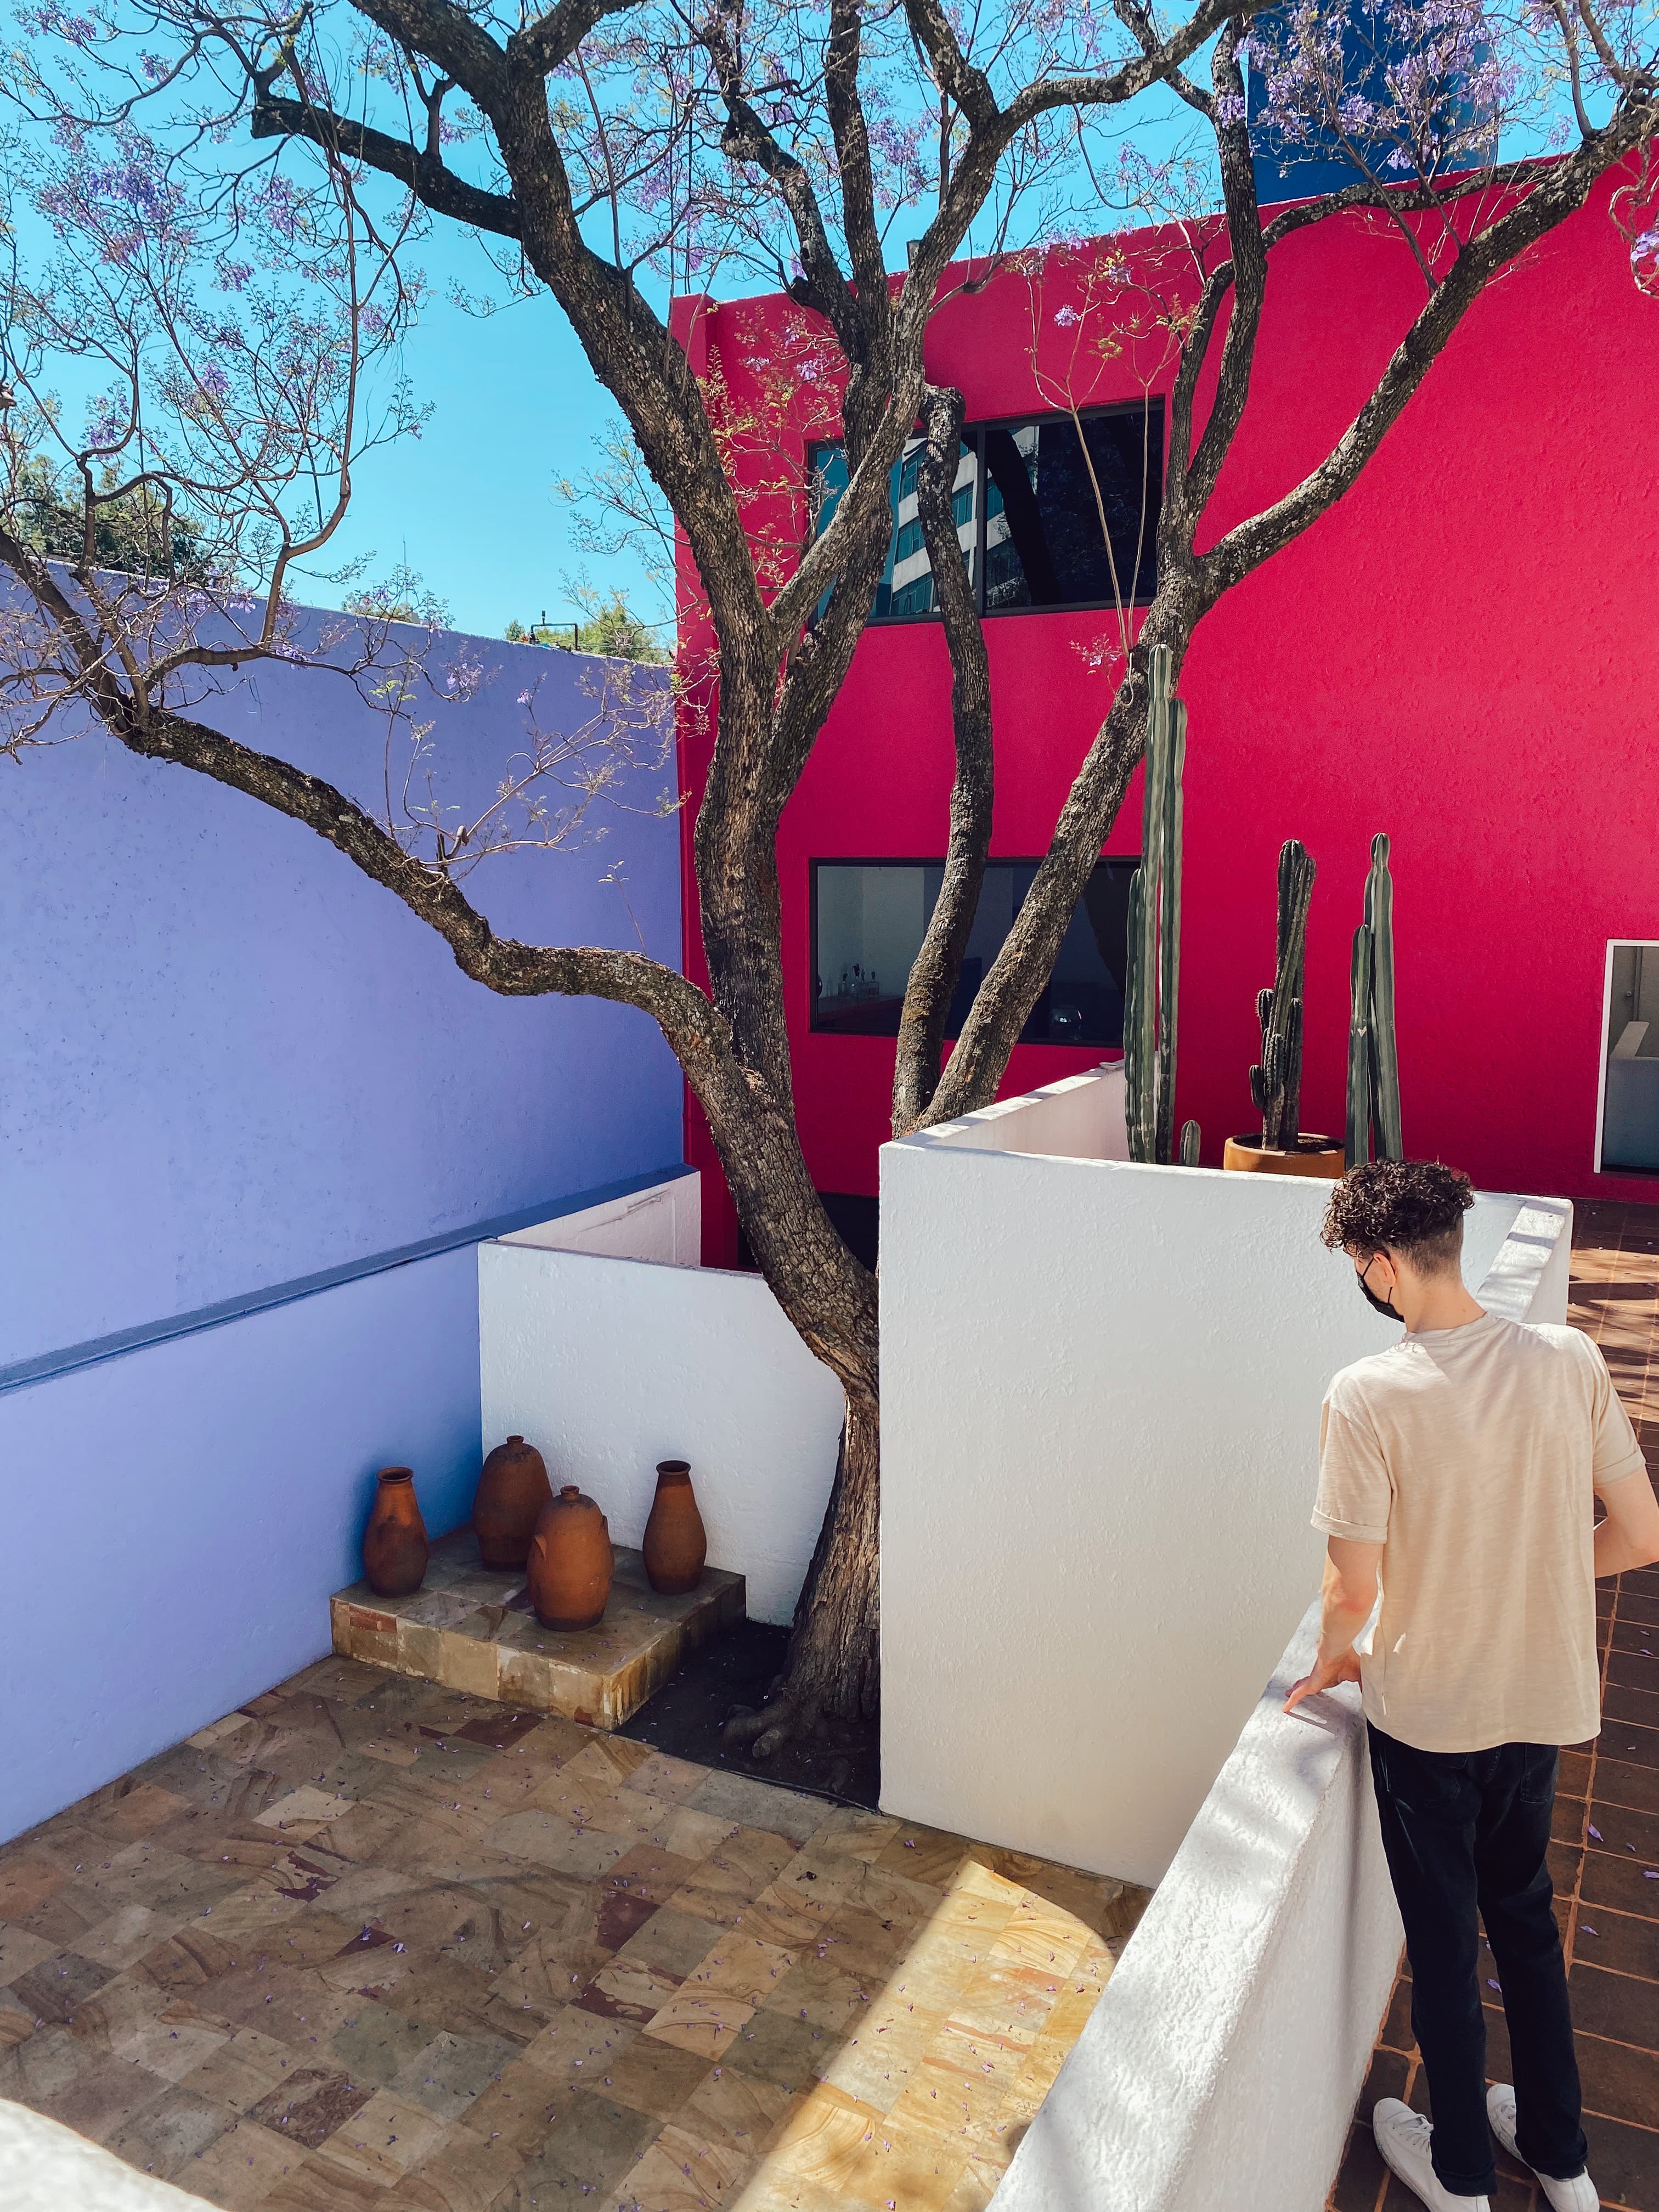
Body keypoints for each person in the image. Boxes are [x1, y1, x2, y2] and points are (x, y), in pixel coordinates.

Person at [1284, 1159, 1659, 2212]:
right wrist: (1535, 1569)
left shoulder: (1367, 1395)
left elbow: (1352, 1588)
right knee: (1527, 1921)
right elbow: (1640, 1534)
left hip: (1430, 1720)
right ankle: (1561, 2158)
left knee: (1446, 1945)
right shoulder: (1568, 1358)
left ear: (1383, 1266)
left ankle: (1457, 2177)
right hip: (1536, 1704)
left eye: (1361, 1266)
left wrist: (1334, 1657)